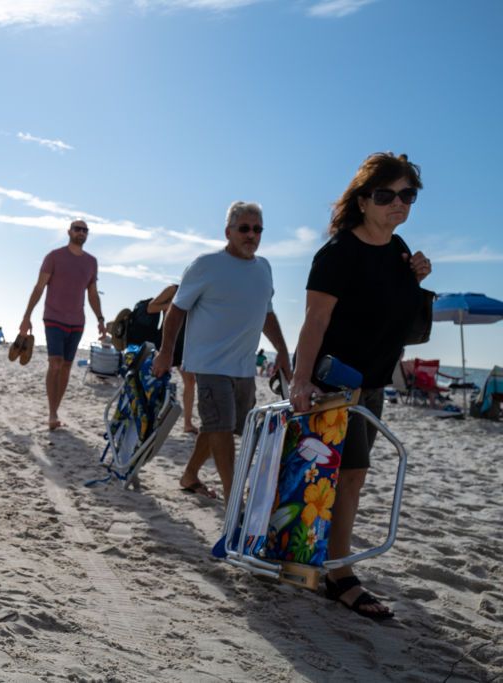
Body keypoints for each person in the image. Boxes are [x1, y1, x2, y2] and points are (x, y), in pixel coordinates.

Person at [290, 153, 430, 621]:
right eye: (386, 195)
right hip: (334, 384)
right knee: (338, 476)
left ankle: (323, 560)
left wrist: (416, 277)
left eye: (407, 195)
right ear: (363, 199)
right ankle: (338, 575)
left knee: (351, 476)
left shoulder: (399, 251)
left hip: (372, 384)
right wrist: (301, 379)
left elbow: (396, 315)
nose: (399, 203)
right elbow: (316, 319)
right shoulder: (338, 253)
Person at [152, 201, 291, 501]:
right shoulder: (206, 265)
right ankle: (233, 496)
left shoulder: (264, 268)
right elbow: (176, 311)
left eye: (257, 229)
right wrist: (166, 353)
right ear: (228, 231)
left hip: (243, 368)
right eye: (244, 228)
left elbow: (266, 313)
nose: (251, 235)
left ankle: (189, 475)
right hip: (209, 363)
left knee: (220, 426)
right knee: (222, 429)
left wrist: (282, 350)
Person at [20, 219, 106, 430]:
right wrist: (26, 316)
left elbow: (92, 294)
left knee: (66, 367)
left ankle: (55, 410)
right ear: (69, 232)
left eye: (85, 230)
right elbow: (39, 287)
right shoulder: (54, 257)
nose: (81, 233)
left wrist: (101, 320)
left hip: (77, 321)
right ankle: (52, 412)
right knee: (55, 363)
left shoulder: (91, 262)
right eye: (77, 229)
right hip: (53, 317)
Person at [146, 284, 197, 434]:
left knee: (190, 381)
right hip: (166, 342)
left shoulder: (199, 293)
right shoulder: (174, 290)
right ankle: (148, 418)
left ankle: (187, 423)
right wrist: (174, 305)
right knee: (156, 381)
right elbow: (150, 307)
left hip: (185, 346)